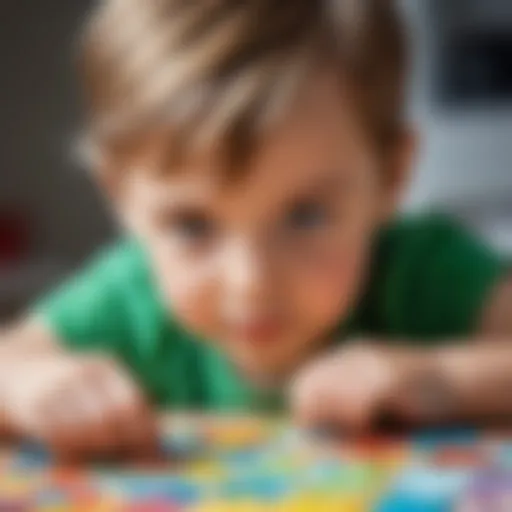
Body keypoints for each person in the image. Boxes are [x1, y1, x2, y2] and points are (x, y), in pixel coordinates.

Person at [1, 0, 511, 459]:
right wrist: (29, 384)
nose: (251, 281)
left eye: (304, 215)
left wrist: (446, 377)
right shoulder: (131, 299)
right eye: (192, 225)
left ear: (391, 175)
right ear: (119, 196)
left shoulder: (423, 271)